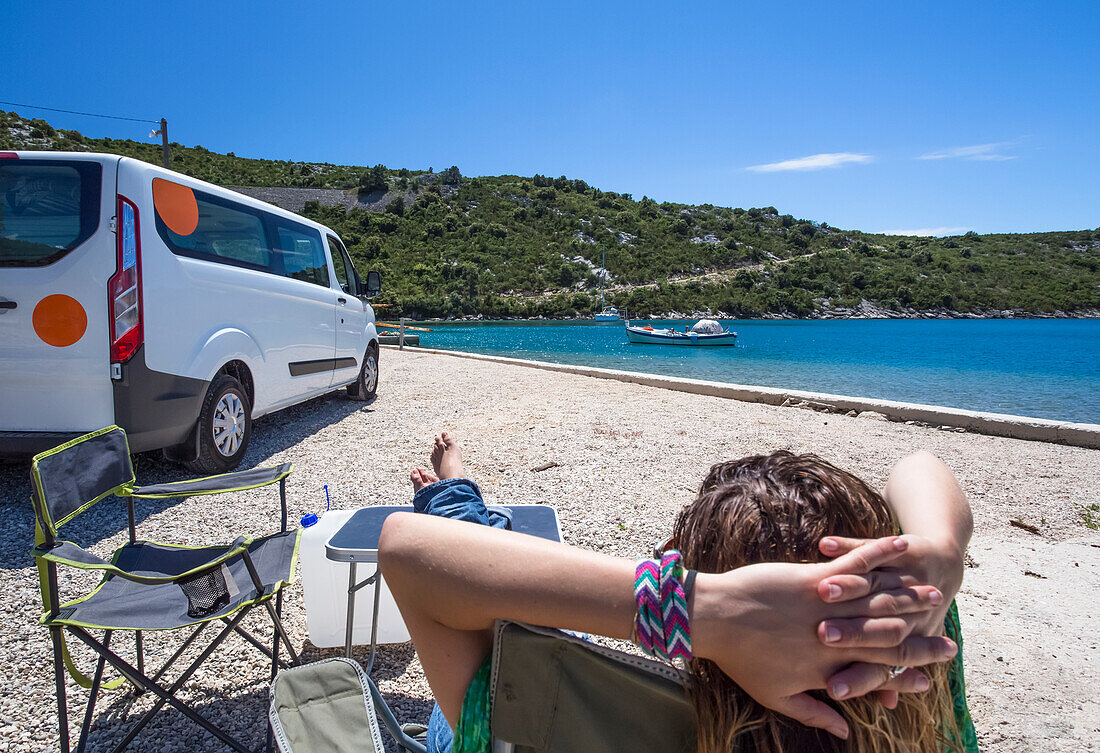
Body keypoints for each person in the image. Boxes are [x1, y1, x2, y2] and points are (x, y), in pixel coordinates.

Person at [380, 433, 973, 753]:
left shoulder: (605, 722)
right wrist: (943, 552)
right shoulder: (918, 662)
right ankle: (461, 497)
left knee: (527, 632)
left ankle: (454, 492)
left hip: (520, 698)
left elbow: (410, 551)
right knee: (540, 617)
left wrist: (707, 610)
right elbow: (920, 464)